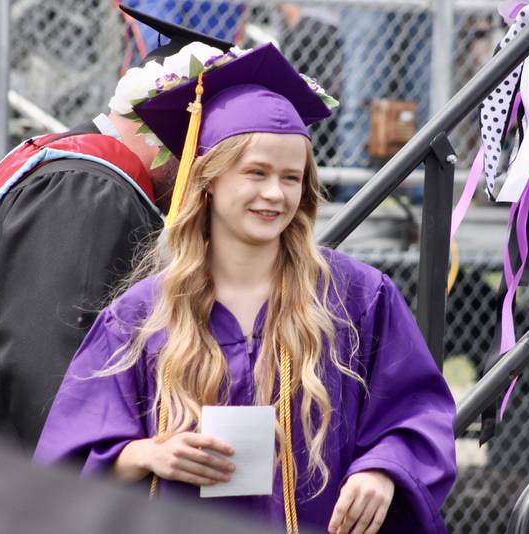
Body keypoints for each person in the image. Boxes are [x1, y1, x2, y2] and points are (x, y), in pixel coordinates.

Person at [34, 42, 456, 534]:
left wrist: (384, 471)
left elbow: (418, 414)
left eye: (291, 178)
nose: (275, 194)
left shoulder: (356, 298)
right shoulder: (141, 316)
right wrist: (144, 453)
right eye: (255, 173)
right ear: (207, 179)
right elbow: (65, 459)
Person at [0, 6, 232, 530]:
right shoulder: (89, 189)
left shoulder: (69, 166)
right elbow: (48, 363)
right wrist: (103, 469)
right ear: (180, 129)